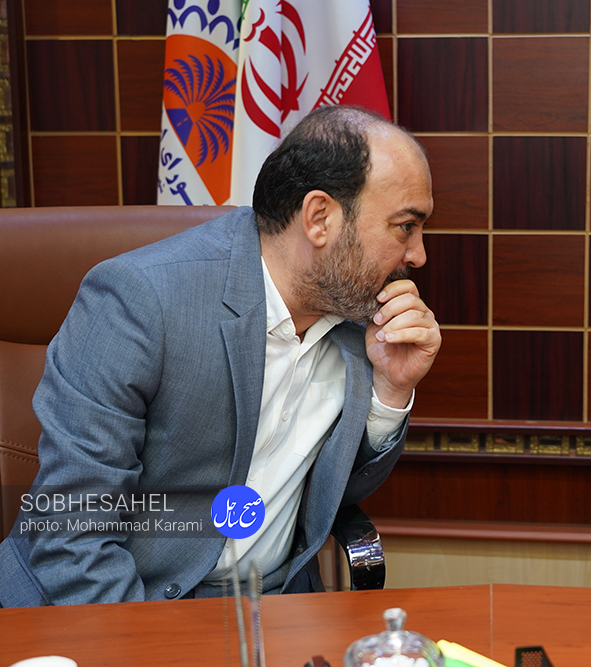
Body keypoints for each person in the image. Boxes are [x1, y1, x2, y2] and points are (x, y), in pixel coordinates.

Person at [0, 105, 440, 606]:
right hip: (125, 603)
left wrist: (391, 392)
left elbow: (340, 493)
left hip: (276, 607)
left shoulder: (362, 317)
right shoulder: (140, 300)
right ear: (320, 218)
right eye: (405, 226)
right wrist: (151, 642)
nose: (418, 255)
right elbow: (73, 532)